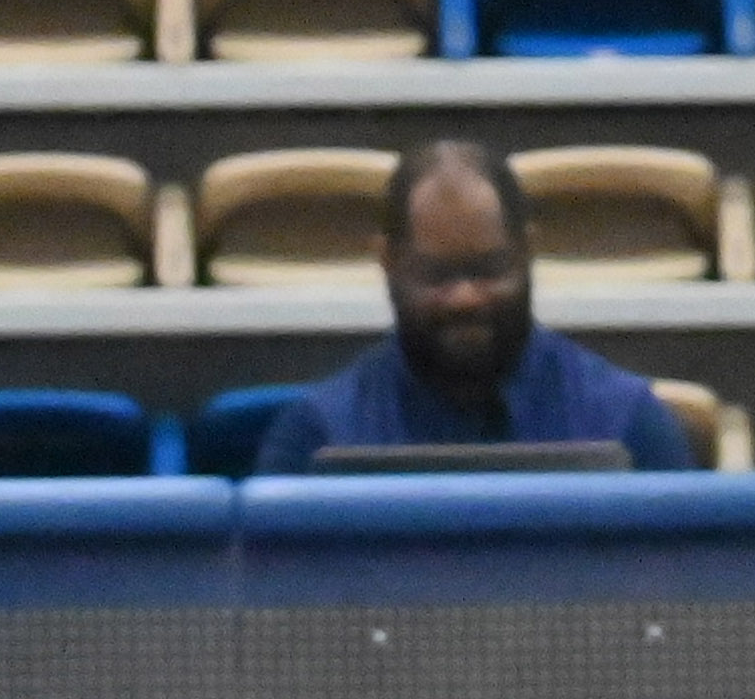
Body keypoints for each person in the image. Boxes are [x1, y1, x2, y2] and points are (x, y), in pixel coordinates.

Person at [257, 140, 696, 474]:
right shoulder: (317, 440)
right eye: (437, 276)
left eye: (488, 269)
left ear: (528, 253)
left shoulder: (630, 426)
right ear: (388, 265)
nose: (466, 297)